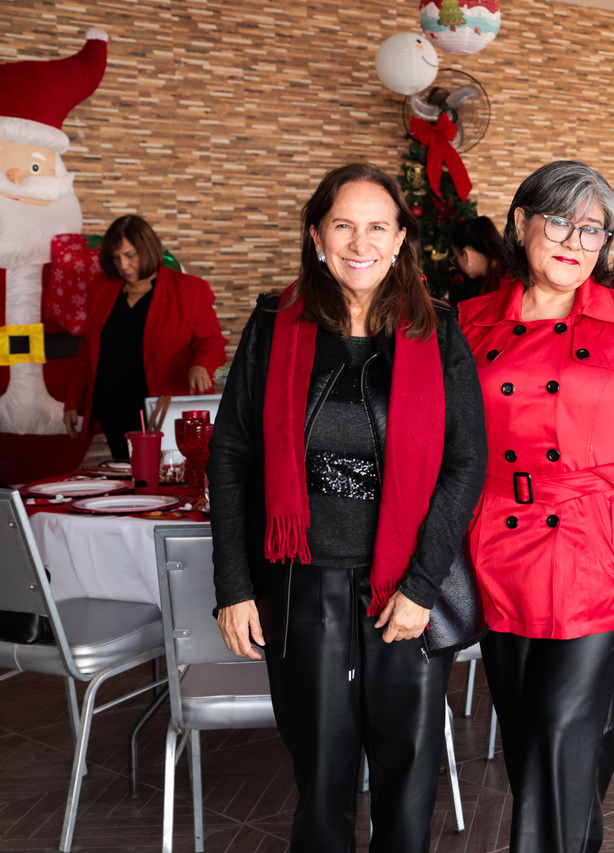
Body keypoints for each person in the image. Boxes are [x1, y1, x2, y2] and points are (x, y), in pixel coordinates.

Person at [208, 163, 487, 853]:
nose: (360, 243)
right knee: (321, 774)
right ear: (316, 236)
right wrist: (234, 587)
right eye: (343, 225)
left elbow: (465, 463)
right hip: (301, 582)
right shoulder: (274, 323)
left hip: (407, 588)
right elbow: (232, 454)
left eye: (377, 226)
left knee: (408, 776)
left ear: (400, 240)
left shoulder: (439, 330)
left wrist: (423, 586)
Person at [458, 160, 614, 853]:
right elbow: (443, 444)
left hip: (603, 554)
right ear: (521, 223)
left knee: (560, 733)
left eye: (593, 229)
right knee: (536, 750)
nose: (575, 240)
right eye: (560, 221)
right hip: (500, 557)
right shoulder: (468, 323)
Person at [62, 215, 226, 459]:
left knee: (170, 475)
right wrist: (73, 401)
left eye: (130, 255)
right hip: (113, 409)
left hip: (165, 408)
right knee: (128, 474)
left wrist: (201, 365)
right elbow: (88, 349)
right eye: (116, 258)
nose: (123, 265)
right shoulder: (101, 288)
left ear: (148, 249)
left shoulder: (189, 288)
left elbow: (211, 341)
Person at [448, 214, 505, 303]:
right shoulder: (499, 274)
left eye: (456, 257)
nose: (457, 263)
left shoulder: (502, 281)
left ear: (467, 254)